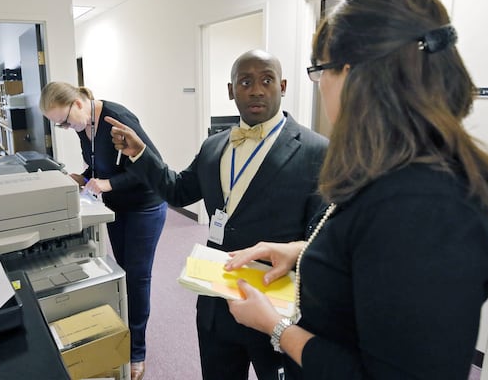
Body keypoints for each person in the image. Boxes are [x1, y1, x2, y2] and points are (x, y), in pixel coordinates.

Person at [223, 0, 488, 379]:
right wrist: (304, 253)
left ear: (357, 74)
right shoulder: (393, 169)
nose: (320, 84)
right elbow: (376, 267)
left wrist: (277, 328)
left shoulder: (422, 207)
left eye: (321, 70)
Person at [106, 49, 328, 380]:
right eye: (245, 82)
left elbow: (322, 240)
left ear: (282, 86)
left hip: (275, 305)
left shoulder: (316, 150)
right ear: (230, 90)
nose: (256, 90)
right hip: (215, 301)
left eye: (267, 80)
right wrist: (140, 152)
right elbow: (178, 190)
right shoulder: (214, 147)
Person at [39, 82, 167, 380]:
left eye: (66, 121)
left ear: (79, 103)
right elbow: (101, 166)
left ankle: (137, 351)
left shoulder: (117, 118)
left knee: (136, 278)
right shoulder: (85, 126)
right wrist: (82, 178)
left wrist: (109, 185)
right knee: (120, 274)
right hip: (118, 207)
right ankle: (122, 334)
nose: (68, 128)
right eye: (60, 125)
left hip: (145, 205)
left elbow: (152, 167)